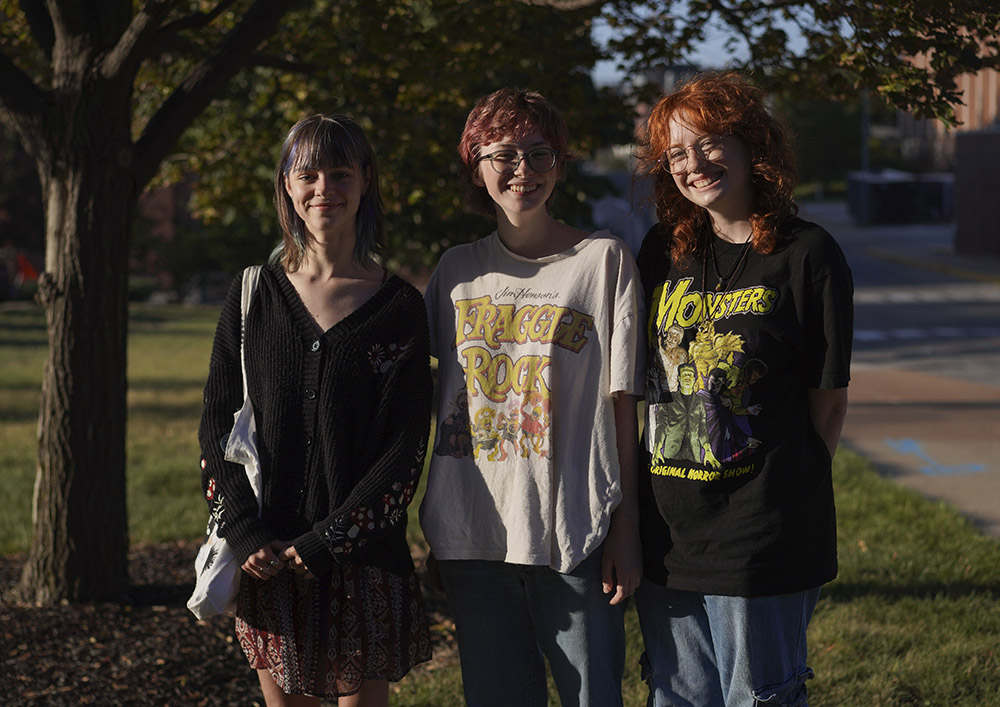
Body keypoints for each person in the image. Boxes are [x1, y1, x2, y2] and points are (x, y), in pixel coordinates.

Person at [633, 72, 853, 707]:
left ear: (751, 144)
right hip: (668, 533)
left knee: (759, 696)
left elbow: (827, 400)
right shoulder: (663, 251)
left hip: (762, 532)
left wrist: (775, 489)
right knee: (674, 696)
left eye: (709, 143)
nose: (693, 163)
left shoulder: (807, 253)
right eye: (677, 152)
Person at [419, 88, 645, 706]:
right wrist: (438, 527)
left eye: (541, 154)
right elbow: (431, 404)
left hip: (573, 531)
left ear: (561, 165)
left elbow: (624, 405)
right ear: (477, 164)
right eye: (505, 153)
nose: (524, 170)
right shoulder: (455, 272)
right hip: (472, 534)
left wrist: (625, 529)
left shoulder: (601, 263)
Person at [198, 114, 432, 706]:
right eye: (308, 174)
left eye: (340, 172)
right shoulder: (254, 294)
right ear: (286, 186)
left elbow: (404, 449)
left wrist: (332, 538)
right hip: (268, 561)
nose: (324, 186)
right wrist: (246, 530)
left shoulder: (398, 306)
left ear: (365, 182)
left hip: (362, 561)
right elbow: (216, 427)